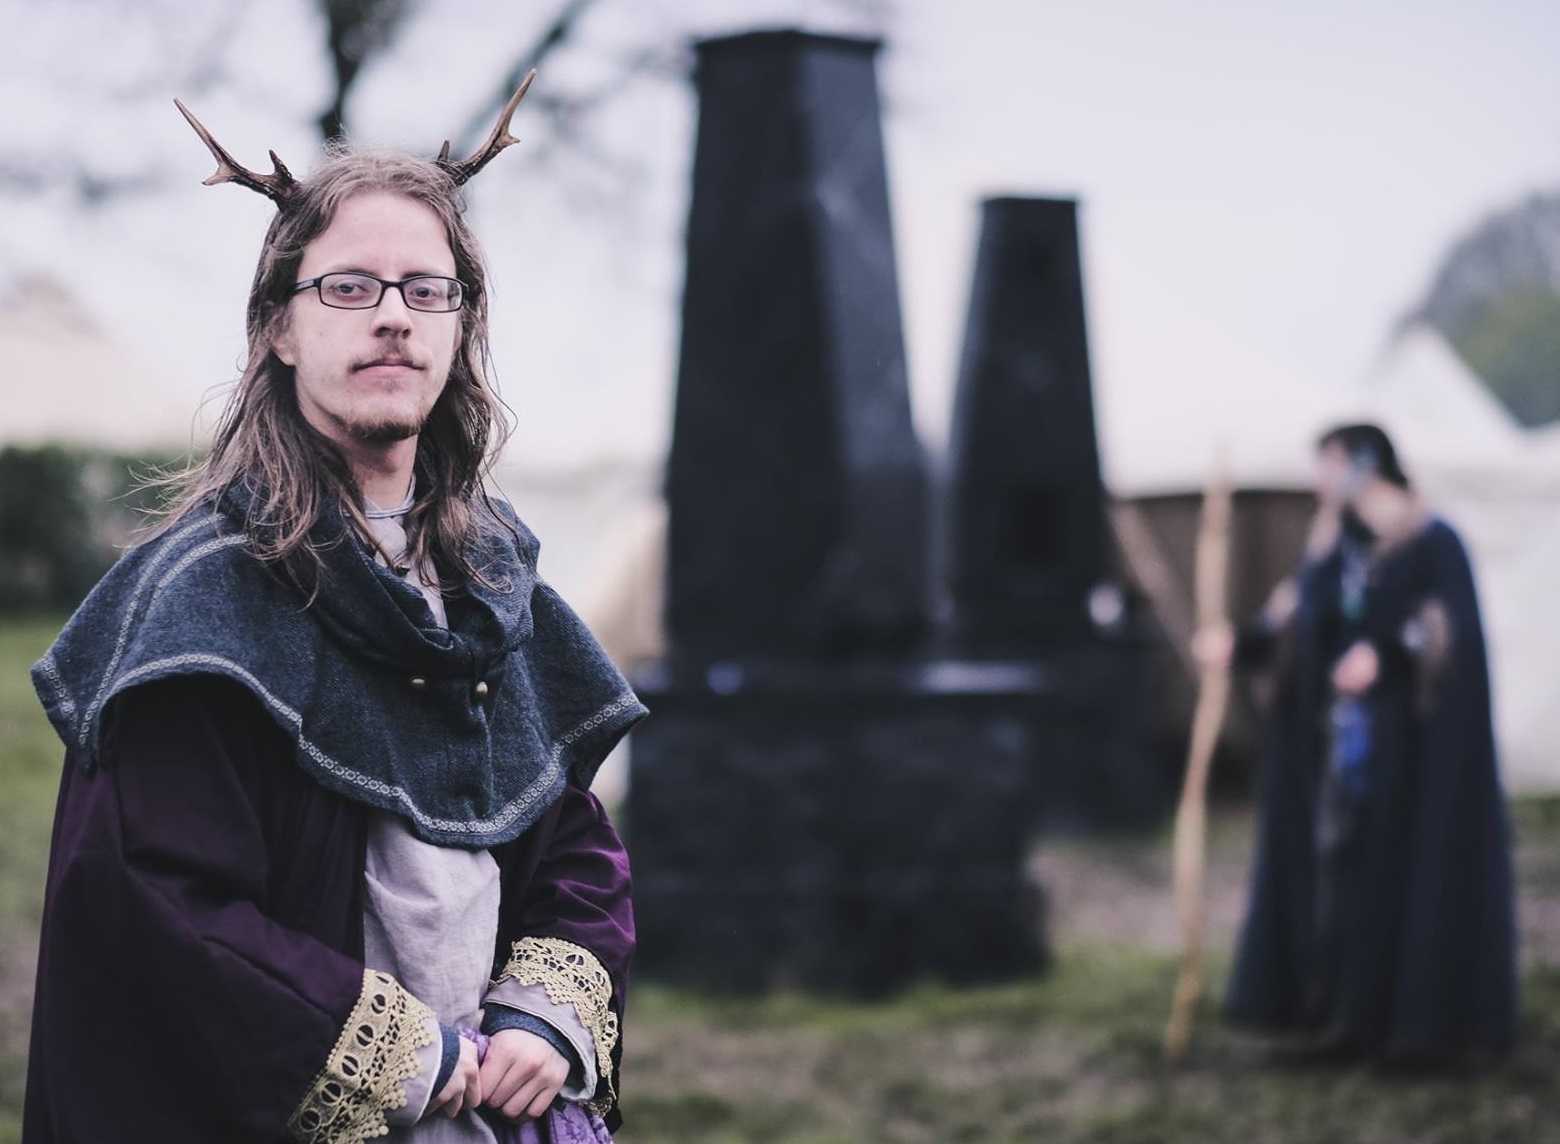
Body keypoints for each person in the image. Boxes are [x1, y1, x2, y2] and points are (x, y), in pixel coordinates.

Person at [24, 75, 647, 1143]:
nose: (394, 315)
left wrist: (544, 1017)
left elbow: (574, 851)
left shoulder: (495, 587)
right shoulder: (202, 600)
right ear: (279, 326)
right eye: (349, 287)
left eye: (426, 289)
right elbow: (158, 909)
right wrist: (409, 1053)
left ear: (460, 325)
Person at [1200, 423, 1517, 1065]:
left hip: (1409, 756)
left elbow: (1447, 627)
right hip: (1338, 754)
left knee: (1397, 876)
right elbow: (1294, 619)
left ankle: (1404, 1022)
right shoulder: (1334, 547)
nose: (1319, 478)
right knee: (1338, 876)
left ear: (1366, 464)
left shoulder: (1432, 541)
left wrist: (1388, 655)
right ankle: (1336, 1012)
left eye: (1330, 463)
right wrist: (1240, 644)